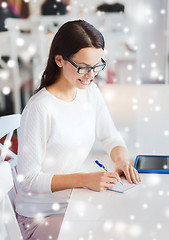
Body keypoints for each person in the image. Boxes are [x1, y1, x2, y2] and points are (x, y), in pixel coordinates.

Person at [15, 20, 141, 240]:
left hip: (72, 203)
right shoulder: (40, 108)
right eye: (83, 67)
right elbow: (29, 179)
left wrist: (121, 161)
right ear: (59, 60)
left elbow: (111, 137)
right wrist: (84, 179)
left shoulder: (89, 92)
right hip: (38, 217)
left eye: (96, 66)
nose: (91, 76)